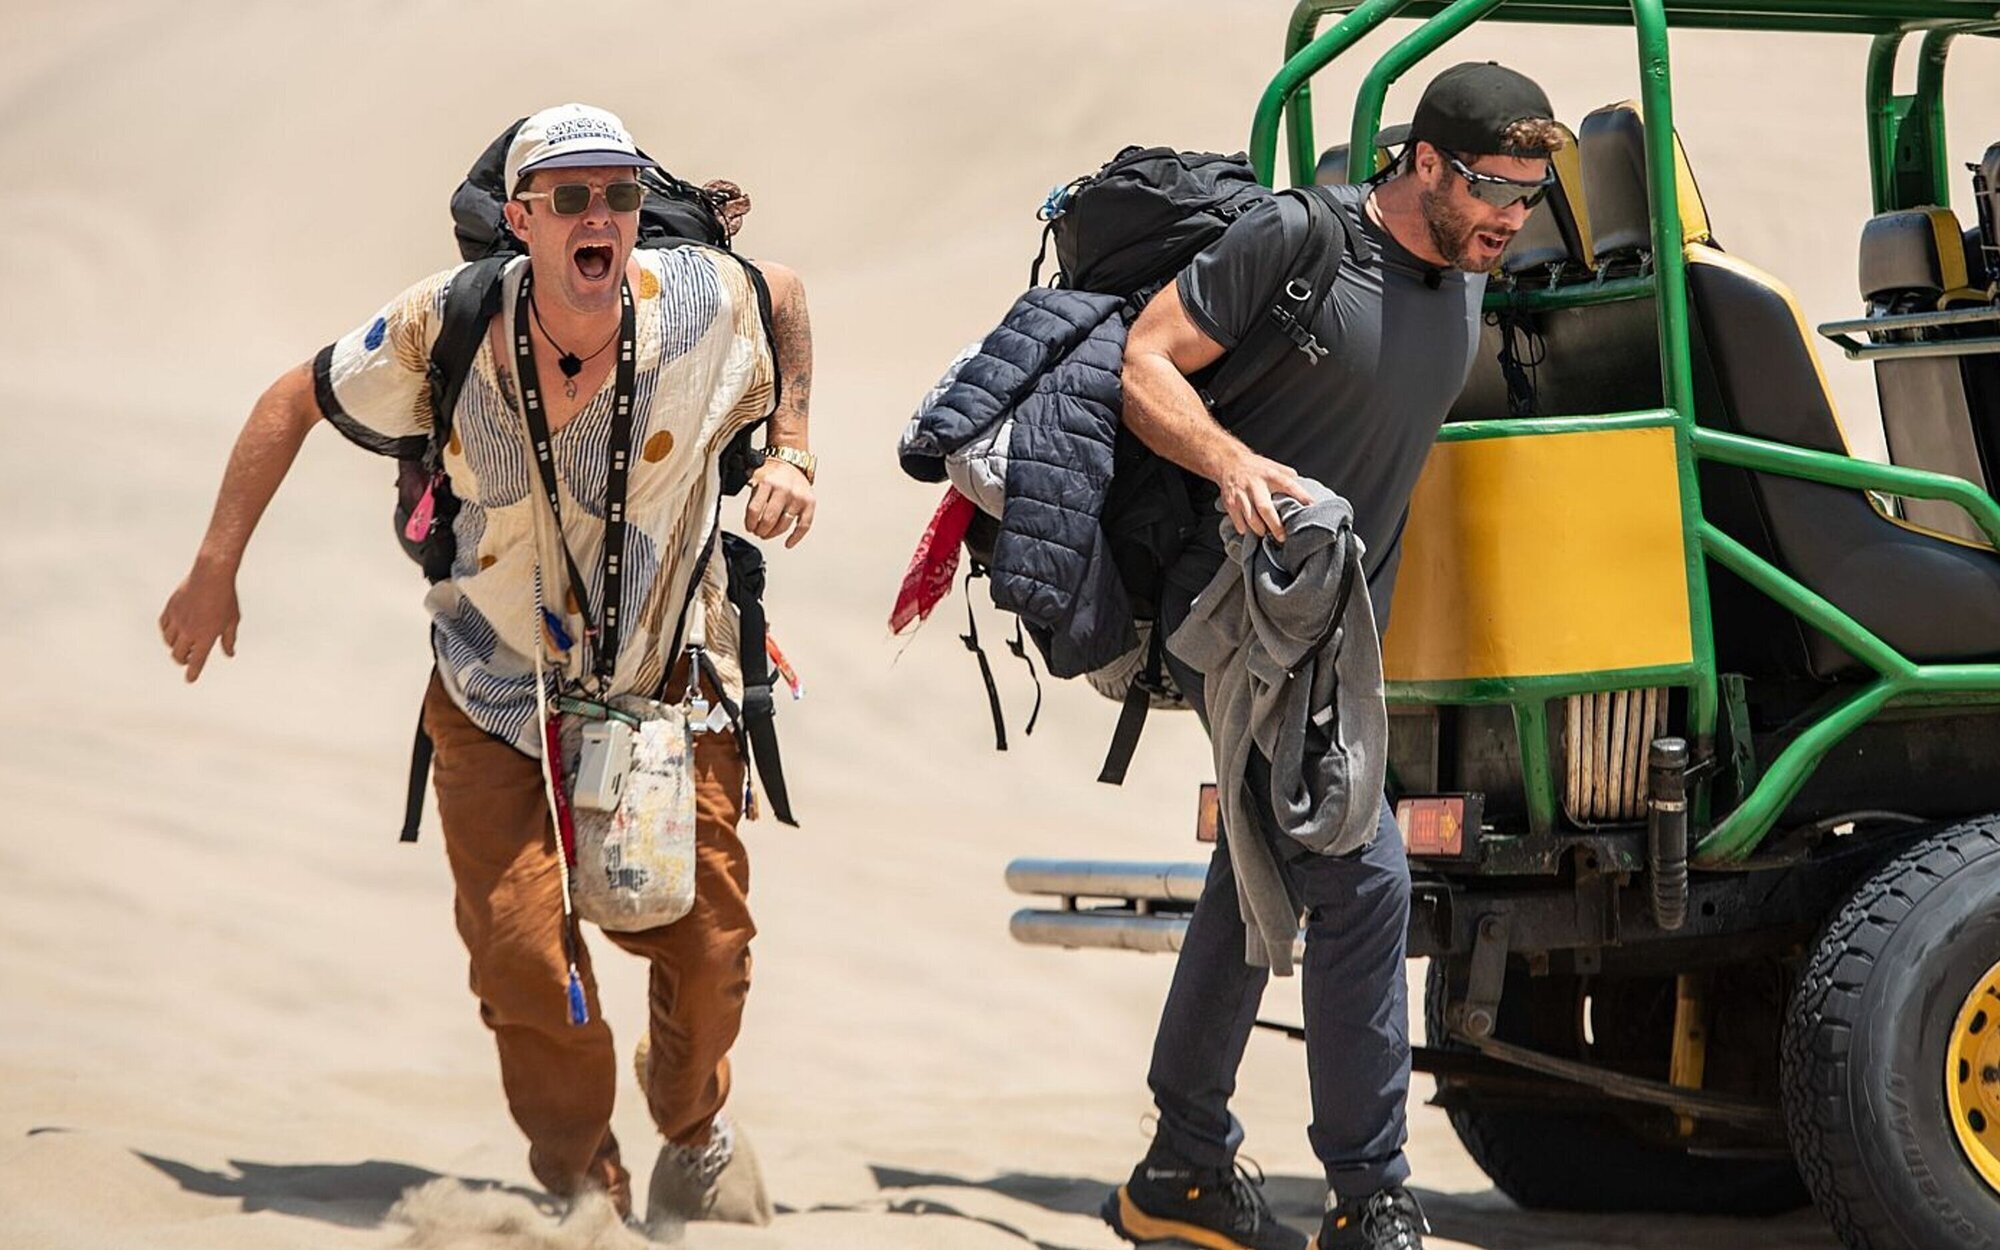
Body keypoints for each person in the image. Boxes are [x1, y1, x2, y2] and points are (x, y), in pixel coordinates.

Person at [156, 103, 815, 1231]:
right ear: (522, 220)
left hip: (667, 683)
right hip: (494, 688)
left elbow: (784, 294)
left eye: (618, 194)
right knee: (523, 961)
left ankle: (693, 1125)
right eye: (571, 198)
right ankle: (586, 1181)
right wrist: (214, 567)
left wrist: (793, 445)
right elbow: (293, 397)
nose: (600, 216)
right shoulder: (446, 321)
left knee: (708, 946)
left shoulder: (697, 298)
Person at [1100, 64, 1563, 1250]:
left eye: (1529, 194)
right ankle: (1367, 1194)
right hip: (1236, 604)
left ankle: (1178, 1166)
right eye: (1491, 187)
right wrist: (1230, 463)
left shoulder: (1464, 278)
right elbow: (1145, 362)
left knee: (1254, 866)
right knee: (1362, 878)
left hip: (1337, 633)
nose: (1510, 215)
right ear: (1423, 162)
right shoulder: (1300, 240)